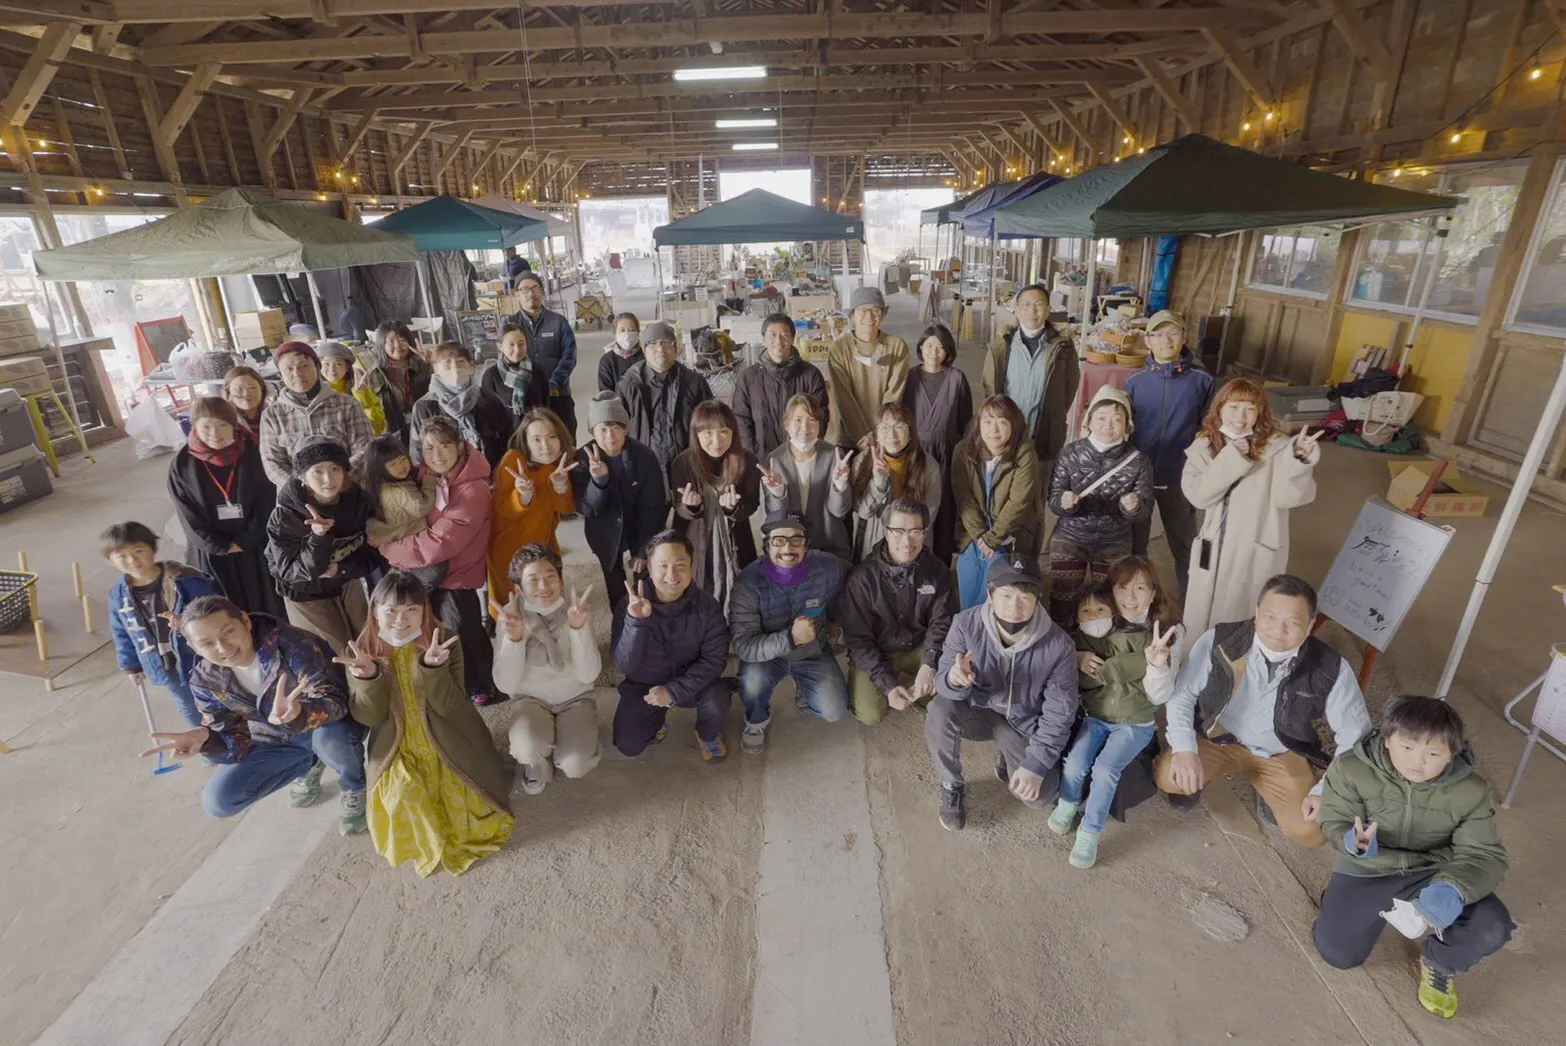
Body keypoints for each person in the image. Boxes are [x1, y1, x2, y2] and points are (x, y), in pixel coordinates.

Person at [1314, 696, 1513, 1020]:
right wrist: (1354, 841)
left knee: (1493, 925)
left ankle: (1440, 962)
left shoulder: (1471, 791)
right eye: (1407, 747)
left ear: (1452, 754)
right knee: (1338, 954)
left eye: (1433, 754)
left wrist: (1452, 889)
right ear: (1387, 738)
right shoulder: (1352, 767)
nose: (1417, 762)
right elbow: (1335, 819)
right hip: (1369, 868)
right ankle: (1339, 904)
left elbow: (1484, 853)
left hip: (1433, 870)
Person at [1155, 574, 1371, 847]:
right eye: (1270, 617)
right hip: (1220, 739)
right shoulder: (1221, 640)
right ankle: (1196, 778)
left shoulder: (1330, 667)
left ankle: (1271, 794)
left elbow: (1355, 735)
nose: (1278, 630)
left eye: (1293, 622)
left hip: (1281, 751)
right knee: (1168, 775)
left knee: (1313, 831)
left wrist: (1325, 790)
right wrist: (1185, 749)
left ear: (1309, 626)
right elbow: (1183, 694)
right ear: (1257, 615)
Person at [143, 595, 368, 835]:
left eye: (228, 632)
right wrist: (206, 739)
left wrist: (301, 713)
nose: (223, 648)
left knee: (332, 741)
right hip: (274, 739)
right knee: (219, 801)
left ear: (245, 621)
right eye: (207, 643)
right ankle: (310, 763)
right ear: (193, 647)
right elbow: (235, 742)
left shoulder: (294, 643)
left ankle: (353, 786)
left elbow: (336, 700)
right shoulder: (205, 680)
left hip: (322, 727)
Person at [342, 572, 514, 876]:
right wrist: (368, 678)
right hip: (395, 743)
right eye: (391, 610)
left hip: (448, 733)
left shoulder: (444, 639)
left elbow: (451, 706)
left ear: (424, 610)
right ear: (375, 611)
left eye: (411, 609)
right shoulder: (360, 650)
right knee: (402, 796)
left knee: (467, 799)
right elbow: (369, 718)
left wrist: (434, 669)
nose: (400, 619)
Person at [927, 552, 1078, 831]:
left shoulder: (1059, 646)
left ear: (1038, 599)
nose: (1014, 607)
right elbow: (943, 679)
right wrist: (954, 679)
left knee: (1040, 796)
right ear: (990, 594)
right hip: (977, 710)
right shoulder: (965, 624)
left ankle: (1007, 754)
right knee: (939, 708)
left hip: (1021, 722)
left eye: (1025, 597)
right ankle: (951, 784)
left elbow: (1060, 714)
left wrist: (1035, 765)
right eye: (1006, 595)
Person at [1049, 580, 1176, 869]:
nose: (1093, 615)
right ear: (1076, 616)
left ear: (1113, 611)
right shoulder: (1075, 643)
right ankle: (1068, 804)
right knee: (1075, 763)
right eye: (1085, 611)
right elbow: (1070, 679)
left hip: (1134, 723)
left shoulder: (1137, 636)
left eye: (1100, 609)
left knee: (1105, 770)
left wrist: (1107, 670)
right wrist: (1077, 662)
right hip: (1096, 718)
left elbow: (1146, 660)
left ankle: (1089, 832)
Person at [1180, 378, 1321, 638]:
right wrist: (1233, 458)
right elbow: (1198, 496)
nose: (1240, 417)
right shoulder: (1204, 445)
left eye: (1250, 408)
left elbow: (1289, 498)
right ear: (1219, 408)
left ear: (1260, 413)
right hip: (1212, 546)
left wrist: (1297, 461)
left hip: (1254, 548)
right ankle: (1197, 661)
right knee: (1201, 622)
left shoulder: (1278, 448)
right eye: (1233, 407)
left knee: (1241, 621)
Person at [377, 417, 498, 707]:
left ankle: (482, 685)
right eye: (429, 448)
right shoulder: (426, 475)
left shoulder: (473, 489)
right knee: (435, 632)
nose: (437, 455)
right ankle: (450, 683)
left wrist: (390, 548)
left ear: (460, 446)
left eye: (444, 446)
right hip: (430, 573)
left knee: (462, 630)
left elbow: (438, 544)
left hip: (457, 574)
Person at [730, 515, 850, 754]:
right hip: (767, 656)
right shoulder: (747, 583)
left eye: (796, 540)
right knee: (752, 684)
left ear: (807, 545)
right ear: (766, 546)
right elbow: (743, 646)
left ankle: (804, 686)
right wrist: (790, 639)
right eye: (778, 540)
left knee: (835, 710)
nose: (787, 549)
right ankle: (756, 721)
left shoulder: (829, 567)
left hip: (812, 652)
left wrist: (836, 621)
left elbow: (848, 588)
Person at [611, 531, 732, 764]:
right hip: (645, 685)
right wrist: (636, 622)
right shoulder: (629, 605)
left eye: (680, 565)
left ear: (692, 566)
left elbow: (715, 660)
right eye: (662, 566)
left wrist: (673, 692)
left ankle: (706, 733)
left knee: (718, 699)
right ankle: (658, 719)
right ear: (649, 567)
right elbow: (623, 665)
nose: (671, 575)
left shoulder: (707, 606)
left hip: (692, 681)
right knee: (629, 744)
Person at [493, 545, 603, 794]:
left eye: (550, 577)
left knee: (576, 764)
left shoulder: (576, 608)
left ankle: (574, 737)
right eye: (533, 580)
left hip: (575, 696)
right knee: (528, 747)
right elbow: (505, 685)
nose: (543, 586)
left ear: (561, 579)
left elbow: (588, 675)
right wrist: (514, 639)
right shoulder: (511, 617)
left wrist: (578, 628)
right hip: (530, 698)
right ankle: (536, 766)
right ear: (518, 589)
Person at [839, 498, 956, 726]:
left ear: (924, 532)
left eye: (915, 532)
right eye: (898, 531)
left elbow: (942, 622)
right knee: (870, 714)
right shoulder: (862, 578)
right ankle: (889, 680)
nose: (907, 541)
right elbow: (858, 640)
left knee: (948, 698)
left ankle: (922, 680)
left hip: (920, 646)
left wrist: (929, 664)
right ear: (886, 531)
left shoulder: (937, 571)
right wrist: (889, 685)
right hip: (879, 650)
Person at [1045, 386, 1155, 625]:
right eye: (1101, 418)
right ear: (1089, 421)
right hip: (1071, 535)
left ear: (1127, 425)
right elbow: (1053, 500)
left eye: (1117, 419)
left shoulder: (1139, 461)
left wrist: (1133, 507)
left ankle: (1101, 642)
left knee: (1110, 600)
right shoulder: (1069, 454)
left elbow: (1145, 512)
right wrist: (1065, 503)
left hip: (1115, 539)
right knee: (1063, 596)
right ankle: (1063, 638)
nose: (1108, 426)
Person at [167, 396, 284, 619]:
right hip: (211, 553)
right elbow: (187, 514)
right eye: (206, 426)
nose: (215, 433)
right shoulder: (182, 464)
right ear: (195, 427)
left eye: (222, 425)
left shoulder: (254, 453)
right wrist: (216, 545)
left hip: (255, 547)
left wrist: (245, 540)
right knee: (220, 613)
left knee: (267, 608)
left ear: (233, 425)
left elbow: (267, 501)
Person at [1123, 310, 1213, 598]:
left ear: (1184, 337)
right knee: (1135, 546)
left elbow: (1210, 428)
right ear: (1148, 340)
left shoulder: (1202, 380)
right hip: (1140, 478)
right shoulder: (1135, 381)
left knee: (1186, 546)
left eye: (1172, 333)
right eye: (1158, 334)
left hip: (1181, 477)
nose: (1166, 340)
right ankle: (1136, 602)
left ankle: (1191, 604)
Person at [264, 436, 376, 654]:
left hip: (346, 580)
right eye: (317, 471)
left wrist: (342, 569)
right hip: (305, 593)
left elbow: (374, 552)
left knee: (369, 646)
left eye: (335, 468)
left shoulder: (359, 501)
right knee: (337, 654)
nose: (328, 479)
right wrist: (319, 537)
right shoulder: (286, 515)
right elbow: (288, 571)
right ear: (303, 476)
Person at [104, 521, 218, 728]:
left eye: (138, 551)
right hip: (164, 663)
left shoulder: (184, 579)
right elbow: (121, 632)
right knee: (187, 704)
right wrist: (131, 665)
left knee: (219, 696)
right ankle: (206, 741)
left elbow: (215, 608)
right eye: (122, 556)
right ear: (111, 561)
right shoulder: (117, 595)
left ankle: (234, 736)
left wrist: (186, 621)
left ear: (153, 548)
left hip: (200, 655)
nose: (132, 560)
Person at [571, 392, 666, 612]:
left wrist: (643, 550)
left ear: (626, 428)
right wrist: (599, 481)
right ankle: (622, 621)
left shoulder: (644, 457)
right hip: (604, 530)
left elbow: (653, 508)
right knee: (616, 584)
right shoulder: (582, 460)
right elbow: (588, 509)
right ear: (592, 432)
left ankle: (647, 619)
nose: (610, 436)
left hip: (638, 524)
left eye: (616, 427)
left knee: (644, 580)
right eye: (602, 429)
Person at [668, 400, 762, 612]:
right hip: (696, 537)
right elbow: (678, 506)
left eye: (723, 431)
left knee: (739, 588)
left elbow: (751, 504)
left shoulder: (747, 461)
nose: (716, 441)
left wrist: (732, 508)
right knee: (698, 585)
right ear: (696, 434)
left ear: (733, 433)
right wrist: (690, 506)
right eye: (708, 433)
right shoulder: (682, 463)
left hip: (735, 538)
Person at [952, 395, 1041, 610]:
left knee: (999, 586)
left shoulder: (1025, 453)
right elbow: (964, 497)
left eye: (1002, 422)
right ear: (978, 423)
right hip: (974, 531)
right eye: (987, 421)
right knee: (968, 575)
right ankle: (969, 623)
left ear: (1014, 425)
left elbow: (1018, 503)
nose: (993, 429)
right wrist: (980, 535)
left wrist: (993, 538)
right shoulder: (963, 450)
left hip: (1010, 532)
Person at [981, 283, 1079, 476]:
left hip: (1045, 435)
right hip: (1007, 435)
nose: (1032, 311)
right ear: (1016, 310)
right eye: (1025, 305)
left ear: (1048, 310)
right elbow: (990, 388)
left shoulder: (1062, 348)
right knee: (1005, 486)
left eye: (1038, 304)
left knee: (1041, 485)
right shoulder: (1002, 346)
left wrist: (1053, 416)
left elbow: (1069, 389)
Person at [489, 407, 577, 615]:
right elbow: (502, 510)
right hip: (510, 548)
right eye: (536, 439)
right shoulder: (513, 460)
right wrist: (524, 494)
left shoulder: (564, 461)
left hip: (544, 542)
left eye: (551, 437)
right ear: (525, 442)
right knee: (515, 610)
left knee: (549, 602)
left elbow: (566, 509)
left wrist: (560, 487)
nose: (545, 446)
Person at [900, 323, 972, 561]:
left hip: (948, 455)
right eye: (929, 345)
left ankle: (941, 562)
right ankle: (914, 557)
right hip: (916, 454)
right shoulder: (910, 377)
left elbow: (965, 421)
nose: (934, 352)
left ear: (948, 351)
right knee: (915, 505)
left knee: (945, 509)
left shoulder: (957, 378)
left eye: (940, 347)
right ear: (921, 348)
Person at [258, 340, 373, 486]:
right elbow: (273, 464)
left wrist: (336, 482)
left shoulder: (347, 404)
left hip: (348, 490)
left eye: (304, 366)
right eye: (289, 369)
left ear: (318, 367)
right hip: (297, 496)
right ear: (281, 375)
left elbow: (364, 449)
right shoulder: (272, 416)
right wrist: (304, 489)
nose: (297, 374)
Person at [758, 394, 855, 562]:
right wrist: (778, 492)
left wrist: (840, 484)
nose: (805, 427)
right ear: (786, 423)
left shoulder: (834, 455)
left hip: (829, 546)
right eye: (798, 420)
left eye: (812, 420)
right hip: (789, 550)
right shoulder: (775, 460)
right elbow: (774, 518)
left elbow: (839, 511)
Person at [615, 319, 714, 479]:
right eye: (653, 343)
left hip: (687, 462)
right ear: (644, 349)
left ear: (675, 348)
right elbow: (618, 427)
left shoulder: (694, 382)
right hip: (643, 463)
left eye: (666, 342)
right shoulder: (629, 384)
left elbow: (711, 422)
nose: (660, 348)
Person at [850, 403, 941, 563]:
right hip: (873, 544)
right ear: (876, 434)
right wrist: (879, 481)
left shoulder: (928, 465)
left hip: (911, 546)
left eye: (899, 427)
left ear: (910, 433)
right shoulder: (862, 461)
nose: (892, 435)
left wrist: (903, 539)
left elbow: (929, 514)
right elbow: (863, 512)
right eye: (884, 428)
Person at [731, 312, 830, 459]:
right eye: (772, 335)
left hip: (800, 457)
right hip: (760, 459)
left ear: (793, 338)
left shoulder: (810, 375)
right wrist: (752, 456)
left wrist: (805, 448)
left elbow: (821, 416)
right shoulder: (748, 377)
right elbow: (740, 419)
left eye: (784, 334)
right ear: (764, 339)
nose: (778, 341)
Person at [826, 287, 910, 446]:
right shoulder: (839, 349)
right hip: (849, 435)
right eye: (862, 310)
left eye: (875, 310)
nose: (869, 317)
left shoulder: (897, 347)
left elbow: (894, 395)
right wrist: (862, 435)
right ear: (852, 315)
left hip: (885, 435)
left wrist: (877, 433)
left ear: (883, 314)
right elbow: (843, 397)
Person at [409, 341, 513, 469]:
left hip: (488, 473)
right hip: (445, 478)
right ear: (436, 368)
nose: (455, 368)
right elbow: (417, 452)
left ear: (471, 367)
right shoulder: (426, 405)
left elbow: (507, 440)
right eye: (447, 363)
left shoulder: (488, 400)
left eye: (460, 362)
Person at [361, 435, 444, 590]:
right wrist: (429, 482)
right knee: (435, 572)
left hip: (400, 545)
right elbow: (422, 506)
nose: (401, 466)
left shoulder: (384, 485)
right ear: (379, 469)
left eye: (403, 459)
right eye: (392, 464)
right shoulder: (397, 491)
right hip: (406, 546)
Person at [504, 271, 578, 435]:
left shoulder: (558, 322)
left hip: (558, 395)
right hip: (525, 398)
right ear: (517, 295)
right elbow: (504, 359)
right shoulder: (509, 324)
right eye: (525, 289)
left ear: (542, 293)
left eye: (535, 288)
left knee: (566, 438)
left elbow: (569, 355)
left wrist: (554, 383)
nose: (531, 294)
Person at [367, 320, 430, 445]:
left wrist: (432, 365)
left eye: (402, 340)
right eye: (391, 341)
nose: (398, 345)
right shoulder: (374, 374)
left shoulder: (423, 365)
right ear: (382, 344)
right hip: (393, 433)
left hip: (425, 428)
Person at [480, 323, 549, 429]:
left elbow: (546, 405)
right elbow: (488, 414)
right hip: (507, 434)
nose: (517, 349)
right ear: (500, 346)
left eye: (521, 344)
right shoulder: (491, 376)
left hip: (534, 432)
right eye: (511, 344)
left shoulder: (537, 370)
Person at [317, 339, 386, 435]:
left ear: (347, 368)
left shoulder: (360, 389)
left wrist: (362, 396)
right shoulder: (315, 392)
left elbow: (378, 427)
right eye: (326, 364)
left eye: (338, 364)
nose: (332, 369)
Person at [598, 312, 643, 393]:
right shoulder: (607, 360)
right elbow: (606, 393)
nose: (627, 334)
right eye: (622, 331)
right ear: (615, 334)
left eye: (631, 330)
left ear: (638, 332)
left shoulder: (647, 356)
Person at [222, 364, 270, 436]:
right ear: (228, 393)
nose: (246, 394)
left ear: (262, 390)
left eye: (252, 388)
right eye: (238, 389)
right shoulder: (223, 420)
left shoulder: (275, 414)